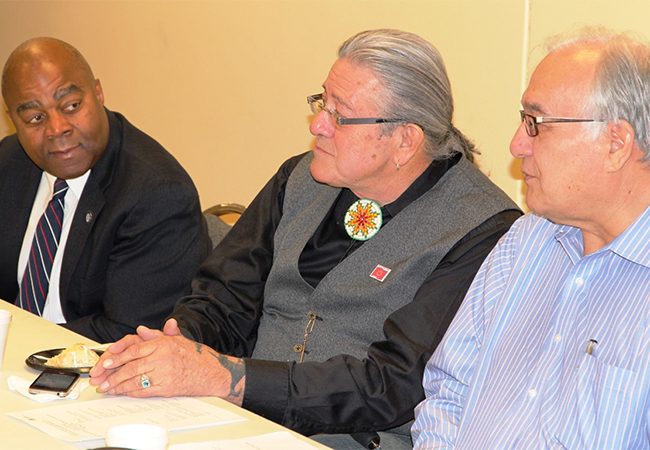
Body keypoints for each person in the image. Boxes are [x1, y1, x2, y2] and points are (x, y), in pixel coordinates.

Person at [90, 29, 520, 448]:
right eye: (322, 102)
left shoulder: (480, 230)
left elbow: (394, 384)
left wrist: (229, 378)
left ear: (405, 140)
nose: (318, 124)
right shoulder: (299, 178)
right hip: (239, 421)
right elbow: (225, 295)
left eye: (340, 114)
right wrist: (179, 341)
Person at [411, 27, 650, 449]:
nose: (516, 144)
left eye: (535, 123)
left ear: (616, 143)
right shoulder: (527, 238)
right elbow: (449, 393)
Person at [0, 37, 211, 343]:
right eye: (35, 118)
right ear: (13, 121)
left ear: (98, 93)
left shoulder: (157, 194)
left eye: (71, 106)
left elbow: (129, 332)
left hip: (95, 374)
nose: (57, 128)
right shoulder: (11, 161)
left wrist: (15, 340)